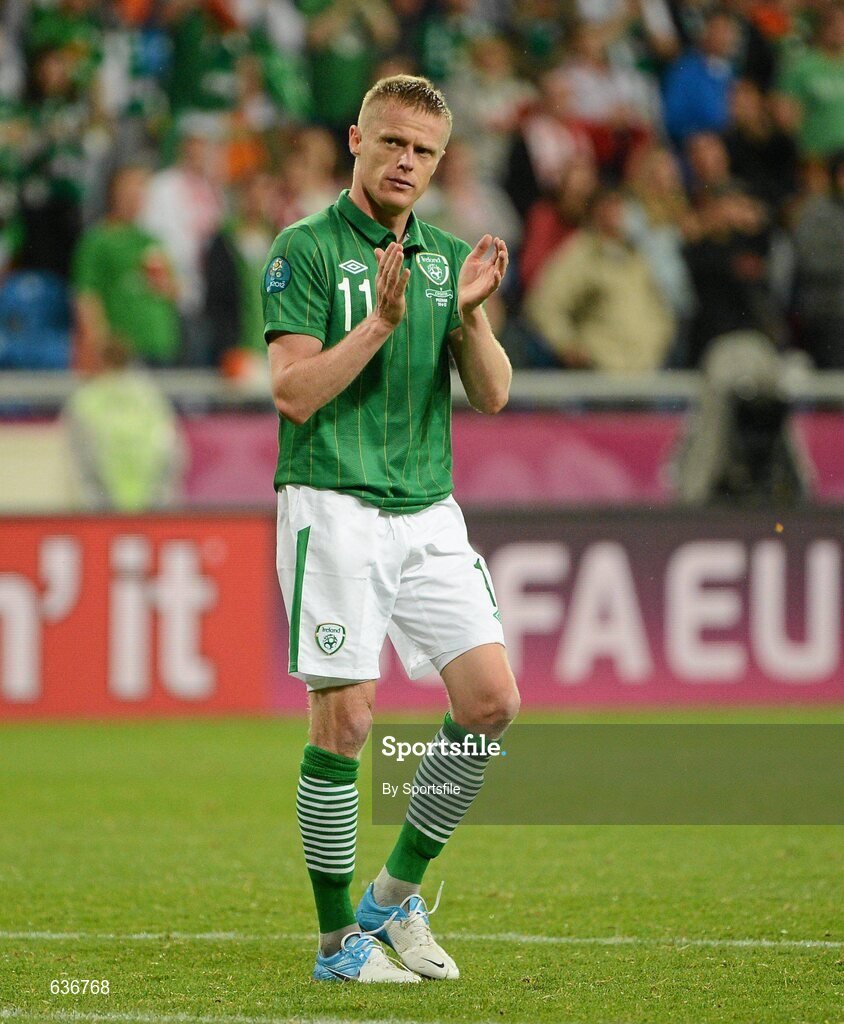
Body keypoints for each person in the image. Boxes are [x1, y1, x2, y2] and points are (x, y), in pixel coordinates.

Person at [261, 75, 520, 983]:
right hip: (332, 506)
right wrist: (379, 324)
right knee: (345, 727)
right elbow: (292, 394)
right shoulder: (302, 249)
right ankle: (338, 947)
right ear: (356, 141)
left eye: (425, 151)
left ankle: (392, 896)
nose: (407, 161)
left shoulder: (447, 259)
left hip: (427, 511)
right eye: (393, 143)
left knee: (490, 702)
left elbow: (491, 394)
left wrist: (471, 315)